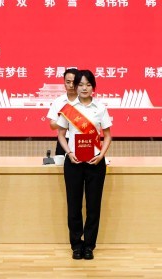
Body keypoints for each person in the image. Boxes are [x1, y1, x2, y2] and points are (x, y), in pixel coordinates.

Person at [56, 70, 112, 261]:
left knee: (93, 206)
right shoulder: (68, 109)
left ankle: (89, 245)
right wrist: (69, 153)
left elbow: (108, 135)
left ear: (93, 87)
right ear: (75, 86)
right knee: (74, 205)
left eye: (88, 84)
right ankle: (76, 245)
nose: (84, 88)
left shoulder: (100, 108)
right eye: (80, 84)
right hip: (74, 162)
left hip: (95, 162)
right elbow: (61, 135)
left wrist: (101, 155)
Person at [46, 68, 80, 156]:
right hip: (64, 139)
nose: (71, 85)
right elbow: (52, 125)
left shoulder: (86, 101)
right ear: (64, 83)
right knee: (60, 164)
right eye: (68, 82)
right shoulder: (58, 101)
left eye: (74, 82)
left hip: (82, 140)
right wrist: (67, 119)